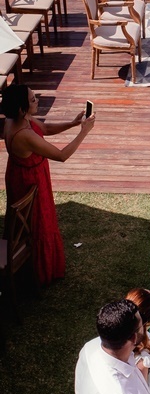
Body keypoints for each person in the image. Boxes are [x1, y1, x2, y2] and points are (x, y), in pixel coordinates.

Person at [2, 84, 95, 285]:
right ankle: (42, 270)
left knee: (31, 222)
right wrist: (84, 132)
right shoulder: (23, 134)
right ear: (22, 108)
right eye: (32, 99)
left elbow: (44, 128)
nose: (37, 101)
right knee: (39, 223)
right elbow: (61, 155)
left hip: (24, 172)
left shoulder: (17, 118)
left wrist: (73, 123)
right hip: (30, 180)